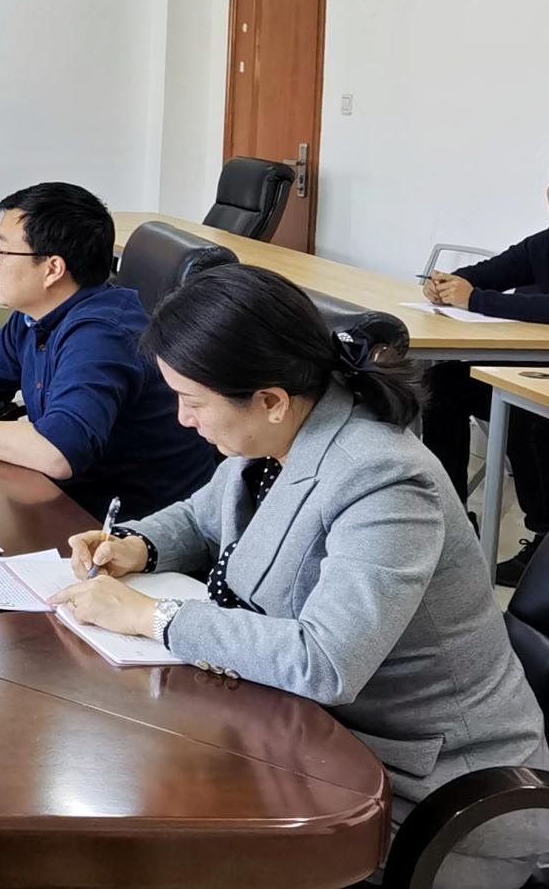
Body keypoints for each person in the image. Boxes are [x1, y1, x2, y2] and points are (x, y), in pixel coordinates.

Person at [52, 265, 548, 889]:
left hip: (423, 792)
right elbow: (205, 517)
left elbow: (326, 661)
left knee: (149, 834)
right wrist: (138, 546)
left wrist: (153, 617)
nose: (182, 419)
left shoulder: (383, 479)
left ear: (269, 400)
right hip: (306, 736)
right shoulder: (280, 439)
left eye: (193, 401)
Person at [0, 182, 218, 519]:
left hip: (123, 525)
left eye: (1, 250)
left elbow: (58, 452)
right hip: (65, 500)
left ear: (52, 269)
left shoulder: (101, 335)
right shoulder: (37, 312)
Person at [423, 189, 549, 586]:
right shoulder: (542, 244)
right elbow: (483, 274)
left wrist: (476, 300)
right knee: (443, 384)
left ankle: (544, 541)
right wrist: (446, 285)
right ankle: (451, 521)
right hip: (533, 365)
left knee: (525, 411)